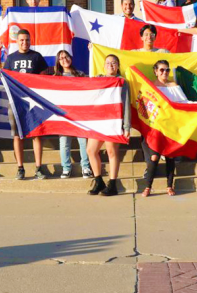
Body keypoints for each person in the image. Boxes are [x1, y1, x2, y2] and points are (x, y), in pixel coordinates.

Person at [1, 29, 49, 180]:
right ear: (17, 41)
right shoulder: (11, 58)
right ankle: (20, 168)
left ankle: (39, 168)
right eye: (22, 40)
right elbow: (4, 78)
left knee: (37, 135)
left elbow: (45, 78)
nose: (24, 43)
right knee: (17, 136)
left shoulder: (37, 57)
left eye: (27, 40)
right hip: (16, 102)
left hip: (34, 102)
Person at [41, 50, 92, 179]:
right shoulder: (54, 77)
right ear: (58, 61)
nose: (65, 59)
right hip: (63, 115)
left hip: (79, 114)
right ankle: (66, 168)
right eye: (61, 58)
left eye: (66, 56)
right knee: (64, 143)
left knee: (83, 141)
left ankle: (86, 167)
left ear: (71, 58)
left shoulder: (80, 74)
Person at [142, 60, 187, 197]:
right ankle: (148, 187)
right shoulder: (150, 86)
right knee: (154, 157)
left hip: (170, 126)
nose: (164, 73)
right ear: (155, 71)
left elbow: (183, 103)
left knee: (170, 156)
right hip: (154, 127)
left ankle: (169, 186)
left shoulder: (174, 85)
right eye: (161, 70)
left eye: (167, 70)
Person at [87, 54, 130, 196]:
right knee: (91, 150)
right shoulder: (98, 79)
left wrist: (127, 126)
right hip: (99, 121)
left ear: (118, 66)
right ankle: (98, 181)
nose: (110, 65)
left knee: (111, 151)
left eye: (113, 63)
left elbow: (126, 104)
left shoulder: (122, 82)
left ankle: (112, 184)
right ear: (103, 66)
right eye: (107, 63)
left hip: (114, 121)